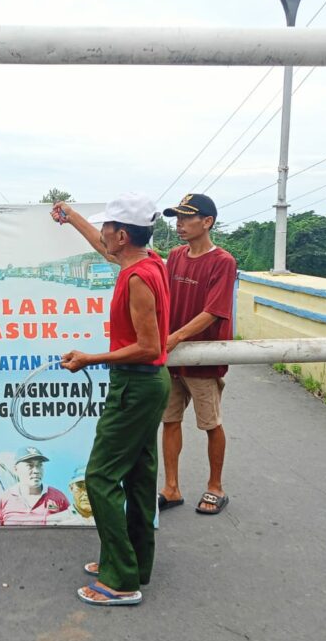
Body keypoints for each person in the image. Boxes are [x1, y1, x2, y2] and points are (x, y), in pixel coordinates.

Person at [51, 193, 170, 607]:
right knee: (137, 474)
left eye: (107, 228)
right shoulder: (148, 262)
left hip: (135, 384)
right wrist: (71, 217)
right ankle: (134, 560)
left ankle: (120, 579)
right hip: (148, 385)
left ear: (122, 234)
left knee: (100, 477)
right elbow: (100, 246)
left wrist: (91, 359)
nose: (102, 235)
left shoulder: (137, 279)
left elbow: (149, 346)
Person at [159, 193, 237, 515]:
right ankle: (171, 487)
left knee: (210, 423)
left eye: (186, 217)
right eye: (176, 217)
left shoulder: (223, 262)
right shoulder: (175, 256)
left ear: (207, 222)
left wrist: (174, 337)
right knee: (170, 420)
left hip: (202, 358)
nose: (179, 224)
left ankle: (215, 486)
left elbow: (213, 312)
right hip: (173, 358)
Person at [0, 446, 70, 525]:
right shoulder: (4, 500)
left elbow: (71, 529)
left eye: (39, 465)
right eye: (30, 465)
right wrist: (49, 520)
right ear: (15, 469)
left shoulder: (58, 497)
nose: (36, 471)